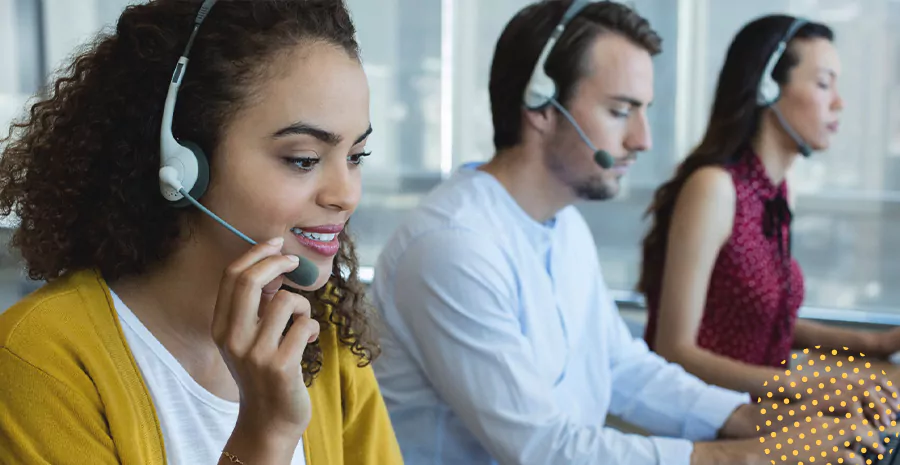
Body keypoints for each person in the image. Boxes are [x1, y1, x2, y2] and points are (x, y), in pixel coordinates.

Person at [369, 1, 880, 464]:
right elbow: (541, 448)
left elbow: (624, 368)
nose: (642, 139)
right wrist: (743, 456)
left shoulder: (563, 225)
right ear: (541, 104)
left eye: (643, 111)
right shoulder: (453, 247)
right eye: (619, 111)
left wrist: (764, 419)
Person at [0, 1, 401, 464]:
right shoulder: (42, 361)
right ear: (184, 165)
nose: (346, 194)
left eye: (356, 157)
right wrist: (265, 432)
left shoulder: (319, 336)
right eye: (304, 160)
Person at [637, 14, 900, 415]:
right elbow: (674, 349)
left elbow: (766, 323)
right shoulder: (714, 189)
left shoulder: (776, 196)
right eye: (824, 83)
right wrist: (810, 387)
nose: (839, 102)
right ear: (767, 88)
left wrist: (874, 346)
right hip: (710, 422)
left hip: (765, 411)